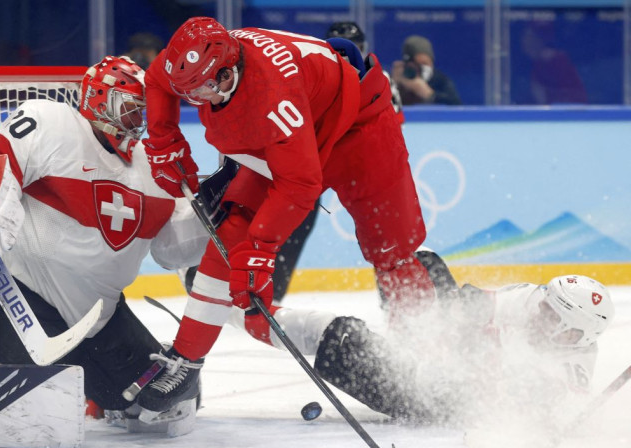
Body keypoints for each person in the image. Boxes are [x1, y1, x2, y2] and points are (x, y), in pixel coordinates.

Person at [135, 16, 436, 411]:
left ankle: (432, 358)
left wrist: (261, 249)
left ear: (229, 73)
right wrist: (164, 137)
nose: (201, 98)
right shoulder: (195, 62)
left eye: (207, 87)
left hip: (358, 130)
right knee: (230, 232)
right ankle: (187, 359)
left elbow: (300, 184)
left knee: (393, 255)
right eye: (191, 91)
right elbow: (158, 81)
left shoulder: (272, 95)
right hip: (298, 130)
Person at [0, 56, 208, 434]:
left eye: (144, 112)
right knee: (12, 422)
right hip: (20, 299)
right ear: (97, 99)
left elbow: (171, 250)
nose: (137, 123)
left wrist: (215, 214)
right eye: (129, 110)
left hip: (100, 316)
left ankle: (92, 387)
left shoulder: (152, 167)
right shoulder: (51, 122)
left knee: (165, 407)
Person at [229, 250, 616, 430]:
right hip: (443, 354)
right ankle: (406, 340)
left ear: (573, 335)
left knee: (336, 332)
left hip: (428, 394)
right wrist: (438, 331)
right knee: (419, 261)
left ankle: (230, 313)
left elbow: (528, 408)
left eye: (552, 316)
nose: (539, 313)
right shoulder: (536, 302)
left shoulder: (571, 368)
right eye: (545, 305)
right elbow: (469, 306)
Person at [391, 35, 462, 106]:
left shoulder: (440, 80)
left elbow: (456, 106)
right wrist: (394, 85)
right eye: (418, 64)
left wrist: (430, 95)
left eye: (425, 63)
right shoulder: (399, 78)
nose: (422, 68)